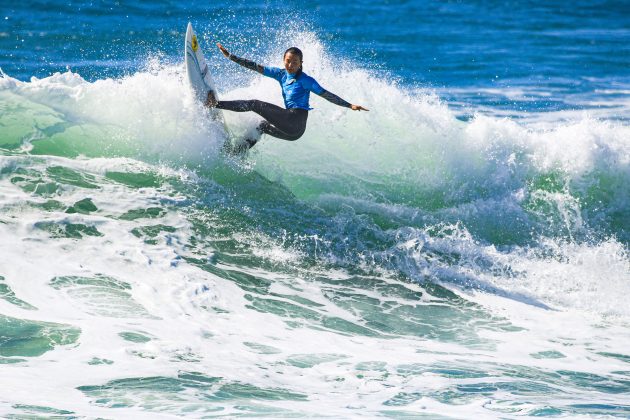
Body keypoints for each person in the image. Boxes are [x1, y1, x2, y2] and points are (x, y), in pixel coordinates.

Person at [206, 44, 368, 148]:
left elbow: (327, 95)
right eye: (288, 61)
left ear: (301, 64)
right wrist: (231, 57)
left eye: (295, 62)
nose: (290, 65)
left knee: (254, 104)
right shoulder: (280, 74)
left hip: (295, 122)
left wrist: (349, 105)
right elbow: (255, 67)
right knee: (262, 126)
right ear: (283, 60)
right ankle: (237, 153)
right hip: (294, 132)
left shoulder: (306, 81)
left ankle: (215, 103)